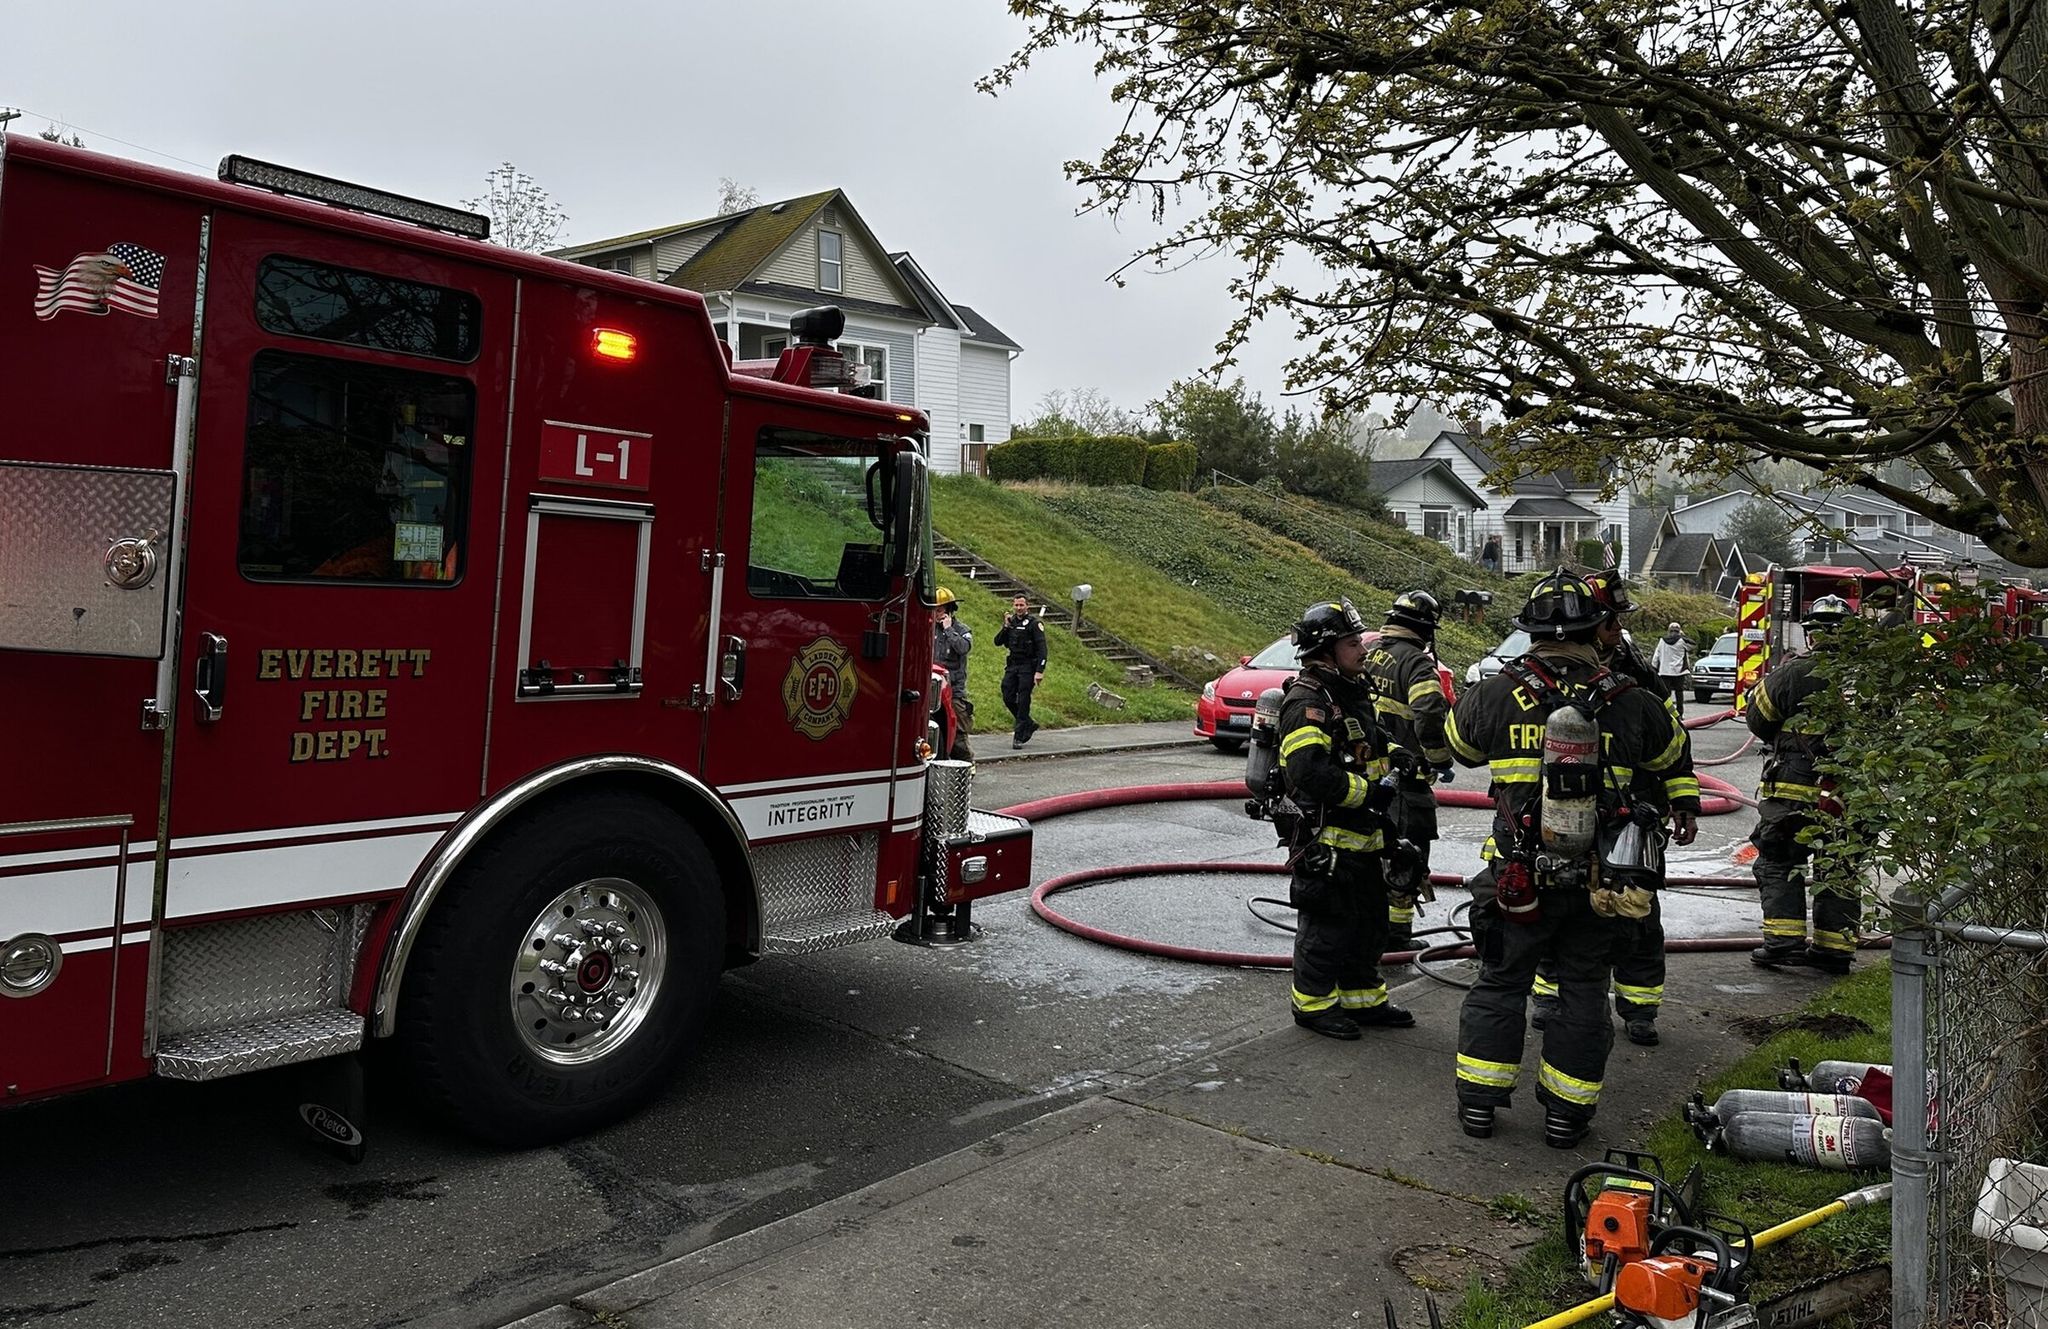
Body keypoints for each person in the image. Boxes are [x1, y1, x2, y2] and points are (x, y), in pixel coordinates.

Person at [1447, 569, 1700, 1147]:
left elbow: (1456, 748)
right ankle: (1566, 1117)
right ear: (1597, 628)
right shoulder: (1631, 698)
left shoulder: (1494, 692)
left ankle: (1480, 1107)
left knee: (1500, 984)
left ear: (1530, 633)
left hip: (1516, 877)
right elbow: (1674, 755)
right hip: (1600, 885)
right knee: (1585, 991)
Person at [1532, 571, 1684, 1048]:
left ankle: (1639, 1008)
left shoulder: (1632, 674)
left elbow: (1671, 742)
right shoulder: (1538, 674)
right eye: (1612, 622)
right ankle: (1550, 998)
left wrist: (1683, 800)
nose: (1618, 630)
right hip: (1557, 817)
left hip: (1627, 817)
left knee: (1636, 917)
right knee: (1558, 914)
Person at [1277, 598, 1415, 1039]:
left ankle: (1364, 1001)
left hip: (1363, 838)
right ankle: (1313, 1007)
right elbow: (1309, 772)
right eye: (1353, 641)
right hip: (1327, 839)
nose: (1363, 649)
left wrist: (1397, 756)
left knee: (1368, 925)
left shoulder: (1351, 692)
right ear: (1325, 649)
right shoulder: (1308, 701)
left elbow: (1368, 742)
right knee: (1328, 929)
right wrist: (1369, 794)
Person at [1747, 594, 1859, 974]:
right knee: (1840, 866)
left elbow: (1758, 718)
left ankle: (1783, 943)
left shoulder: (1793, 674)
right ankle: (1834, 951)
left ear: (1811, 634)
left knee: (1779, 859)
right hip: (1852, 794)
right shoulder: (1872, 679)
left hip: (1794, 790)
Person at [1361, 590, 1453, 952]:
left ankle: (1368, 926)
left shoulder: (1370, 655)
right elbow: (1429, 710)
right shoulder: (1416, 663)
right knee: (1408, 856)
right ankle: (1397, 936)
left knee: (1370, 852)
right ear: (1425, 630)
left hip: (1368, 776)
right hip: (1406, 779)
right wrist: (1439, 757)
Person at [993, 594, 1046, 749]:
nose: (1018, 608)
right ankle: (1027, 723)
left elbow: (1042, 649)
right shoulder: (1011, 623)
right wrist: (1005, 626)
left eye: (1021, 605)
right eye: (1016, 605)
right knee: (1007, 694)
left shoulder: (1034, 624)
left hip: (1028, 666)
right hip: (1013, 665)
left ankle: (1019, 735)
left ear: (1027, 606)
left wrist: (1040, 671)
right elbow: (997, 642)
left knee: (1023, 700)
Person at [932, 587, 974, 761]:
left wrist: (949, 630)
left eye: (939, 609)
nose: (935, 613)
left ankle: (967, 763)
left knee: (957, 732)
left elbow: (963, 648)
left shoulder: (962, 630)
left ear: (949, 610)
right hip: (933, 688)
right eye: (933, 609)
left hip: (953, 690)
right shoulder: (929, 629)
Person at [1649, 621, 1692, 718]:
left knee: (1666, 694)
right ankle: (1680, 713)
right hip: (1679, 672)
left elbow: (1656, 655)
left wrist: (1654, 667)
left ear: (1669, 631)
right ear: (1679, 631)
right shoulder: (1682, 641)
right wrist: (1683, 635)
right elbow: (1692, 645)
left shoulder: (1662, 641)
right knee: (1679, 692)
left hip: (1664, 671)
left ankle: (1666, 713)